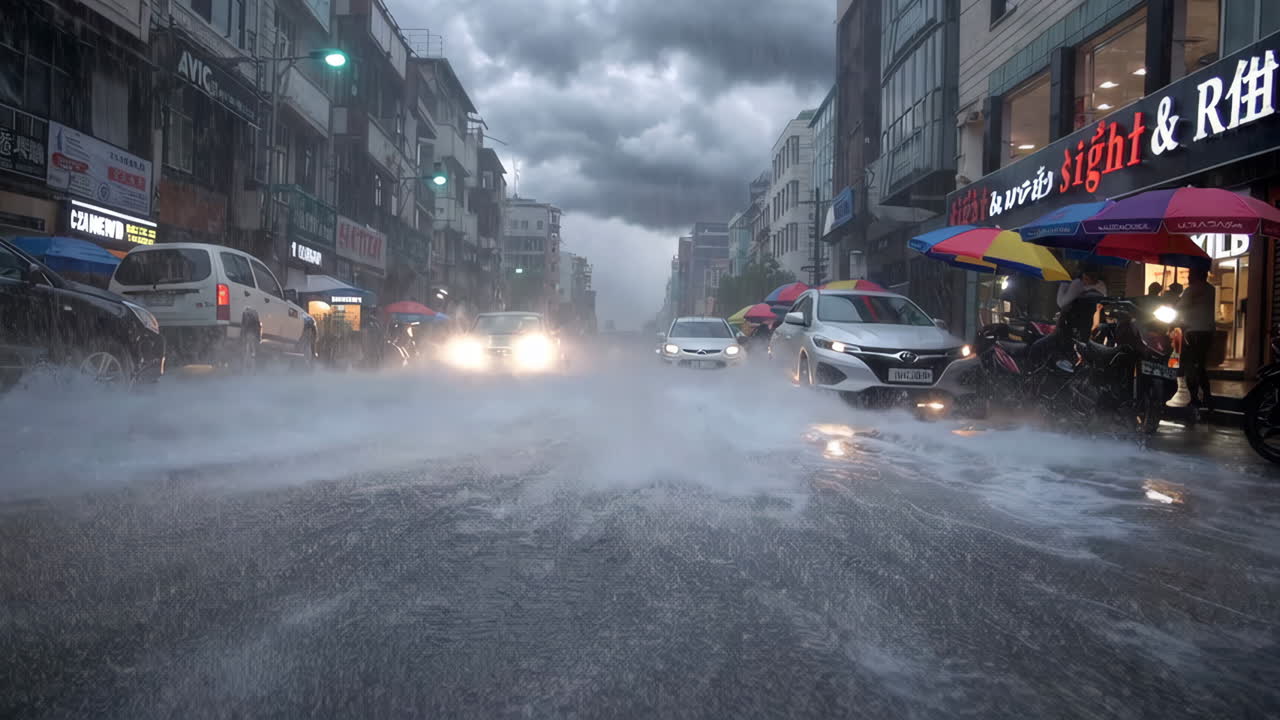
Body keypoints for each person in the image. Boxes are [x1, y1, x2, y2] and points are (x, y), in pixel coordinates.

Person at [1029, 267, 1107, 368]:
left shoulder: (1079, 286)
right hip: (1078, 335)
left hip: (1070, 334)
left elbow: (1062, 304)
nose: (1084, 280)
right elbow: (1095, 322)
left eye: (1086, 278)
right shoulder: (1098, 289)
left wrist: (1064, 283)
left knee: (1037, 347)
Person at [1176, 267, 1216, 418]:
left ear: (1197, 276)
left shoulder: (1191, 290)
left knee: (1190, 366)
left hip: (1192, 332)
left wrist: (1175, 301)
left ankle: (1194, 399)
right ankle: (1208, 396)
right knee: (1200, 365)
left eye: (1190, 275)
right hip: (1207, 332)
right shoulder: (1211, 289)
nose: (1188, 278)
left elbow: (1180, 307)